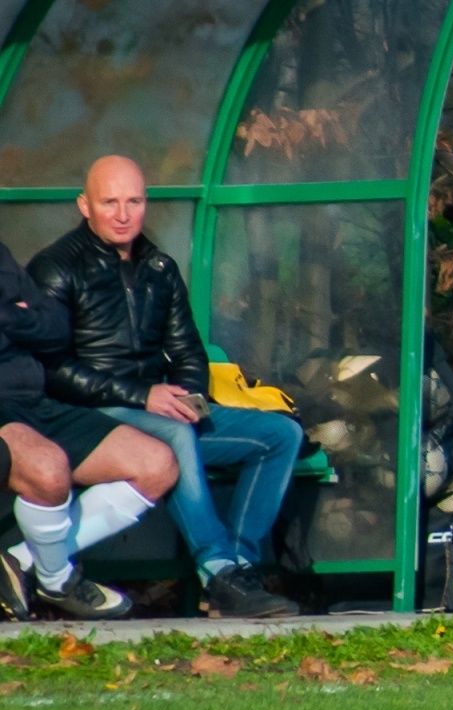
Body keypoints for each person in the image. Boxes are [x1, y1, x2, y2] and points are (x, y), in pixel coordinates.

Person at [27, 156, 302, 618]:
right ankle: (215, 567)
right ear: (84, 205)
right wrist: (145, 397)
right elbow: (50, 369)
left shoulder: (159, 267)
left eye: (133, 201)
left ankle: (238, 567)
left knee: (280, 436)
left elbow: (188, 351)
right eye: (109, 202)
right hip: (88, 416)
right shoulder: (56, 268)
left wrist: (189, 396)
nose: (122, 213)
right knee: (170, 434)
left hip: (156, 412)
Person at [0, 238, 177, 620]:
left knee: (156, 463)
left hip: (35, 399)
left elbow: (54, 329)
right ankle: (58, 579)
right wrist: (18, 319)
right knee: (48, 469)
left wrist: (9, 319)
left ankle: (18, 561)